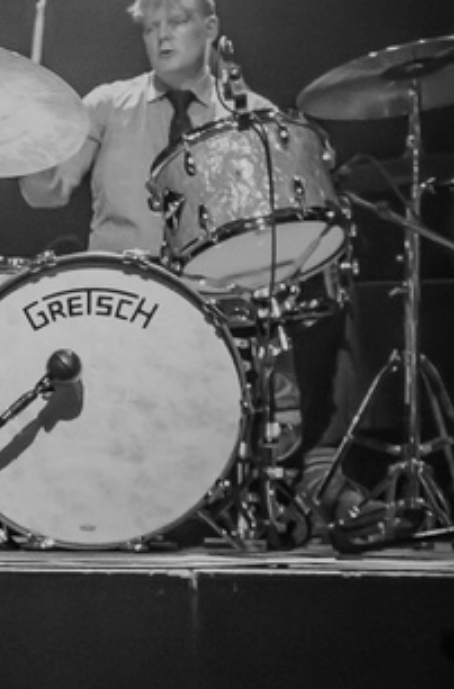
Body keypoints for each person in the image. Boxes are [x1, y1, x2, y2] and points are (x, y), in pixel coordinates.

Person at [18, 0, 369, 530]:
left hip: (217, 309)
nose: (161, 37)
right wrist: (27, 137)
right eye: (150, 28)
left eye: (177, 22)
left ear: (210, 28)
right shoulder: (107, 105)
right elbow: (47, 194)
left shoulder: (253, 115)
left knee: (330, 295)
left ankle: (315, 470)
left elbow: (283, 238)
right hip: (115, 307)